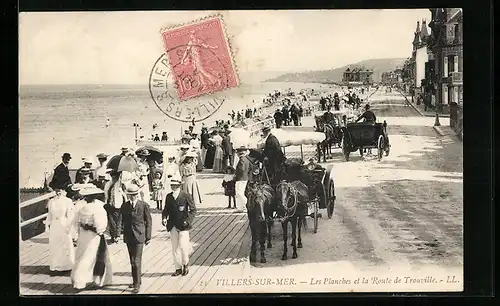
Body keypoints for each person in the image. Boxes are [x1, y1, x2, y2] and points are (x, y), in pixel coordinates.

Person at [71, 187, 113, 290]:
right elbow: (100, 225)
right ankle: (99, 280)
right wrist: (100, 231)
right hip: (94, 236)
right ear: (95, 198)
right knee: (96, 257)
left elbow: (76, 222)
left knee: (82, 256)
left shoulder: (81, 209)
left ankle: (79, 281)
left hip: (84, 235)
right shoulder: (98, 208)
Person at [161, 174, 197, 277]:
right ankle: (177, 268)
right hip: (172, 225)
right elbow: (165, 210)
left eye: (176, 185)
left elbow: (193, 210)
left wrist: (188, 221)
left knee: (183, 246)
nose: (174, 187)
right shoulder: (169, 197)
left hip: (183, 225)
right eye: (172, 185)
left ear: (180, 185)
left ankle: (185, 264)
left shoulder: (186, 196)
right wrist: (164, 218)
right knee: (174, 248)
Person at [120, 185, 152, 294]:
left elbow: (149, 222)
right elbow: (122, 220)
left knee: (136, 261)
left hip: (140, 236)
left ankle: (136, 285)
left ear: (138, 194)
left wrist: (148, 236)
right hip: (129, 236)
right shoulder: (124, 206)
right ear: (128, 195)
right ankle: (137, 280)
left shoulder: (143, 205)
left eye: (135, 195)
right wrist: (121, 232)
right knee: (132, 260)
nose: (133, 197)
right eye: (131, 195)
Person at [44, 187, 76, 272]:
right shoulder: (51, 201)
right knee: (55, 244)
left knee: (65, 244)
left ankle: (67, 265)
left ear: (63, 191)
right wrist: (47, 225)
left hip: (64, 223)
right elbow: (49, 214)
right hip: (55, 225)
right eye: (56, 190)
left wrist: (69, 226)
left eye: (60, 191)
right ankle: (56, 265)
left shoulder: (67, 201)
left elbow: (71, 215)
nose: (58, 192)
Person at [103, 170, 125, 244]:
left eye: (116, 176)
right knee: (112, 222)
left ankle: (117, 236)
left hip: (120, 205)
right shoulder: (108, 184)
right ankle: (113, 236)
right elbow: (105, 194)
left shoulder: (121, 184)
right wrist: (106, 203)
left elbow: (125, 194)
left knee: (119, 221)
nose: (115, 178)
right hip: (110, 205)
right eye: (113, 176)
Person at [234, 145, 251, 213]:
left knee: (239, 193)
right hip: (244, 177)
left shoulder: (242, 160)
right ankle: (240, 208)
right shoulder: (246, 159)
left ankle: (247, 205)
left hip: (241, 178)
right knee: (239, 193)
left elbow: (241, 169)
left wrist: (235, 174)